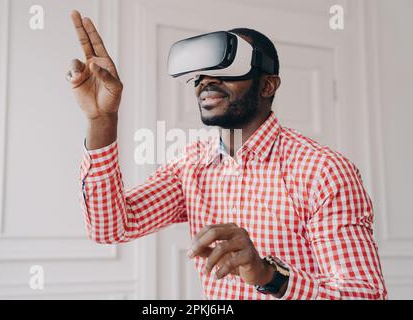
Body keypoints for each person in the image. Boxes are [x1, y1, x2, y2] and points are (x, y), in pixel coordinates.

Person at [68, 10, 387, 300]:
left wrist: (270, 276)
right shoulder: (191, 166)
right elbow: (110, 227)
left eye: (228, 66)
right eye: (201, 72)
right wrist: (102, 121)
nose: (207, 80)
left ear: (268, 85)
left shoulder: (324, 171)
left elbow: (366, 295)